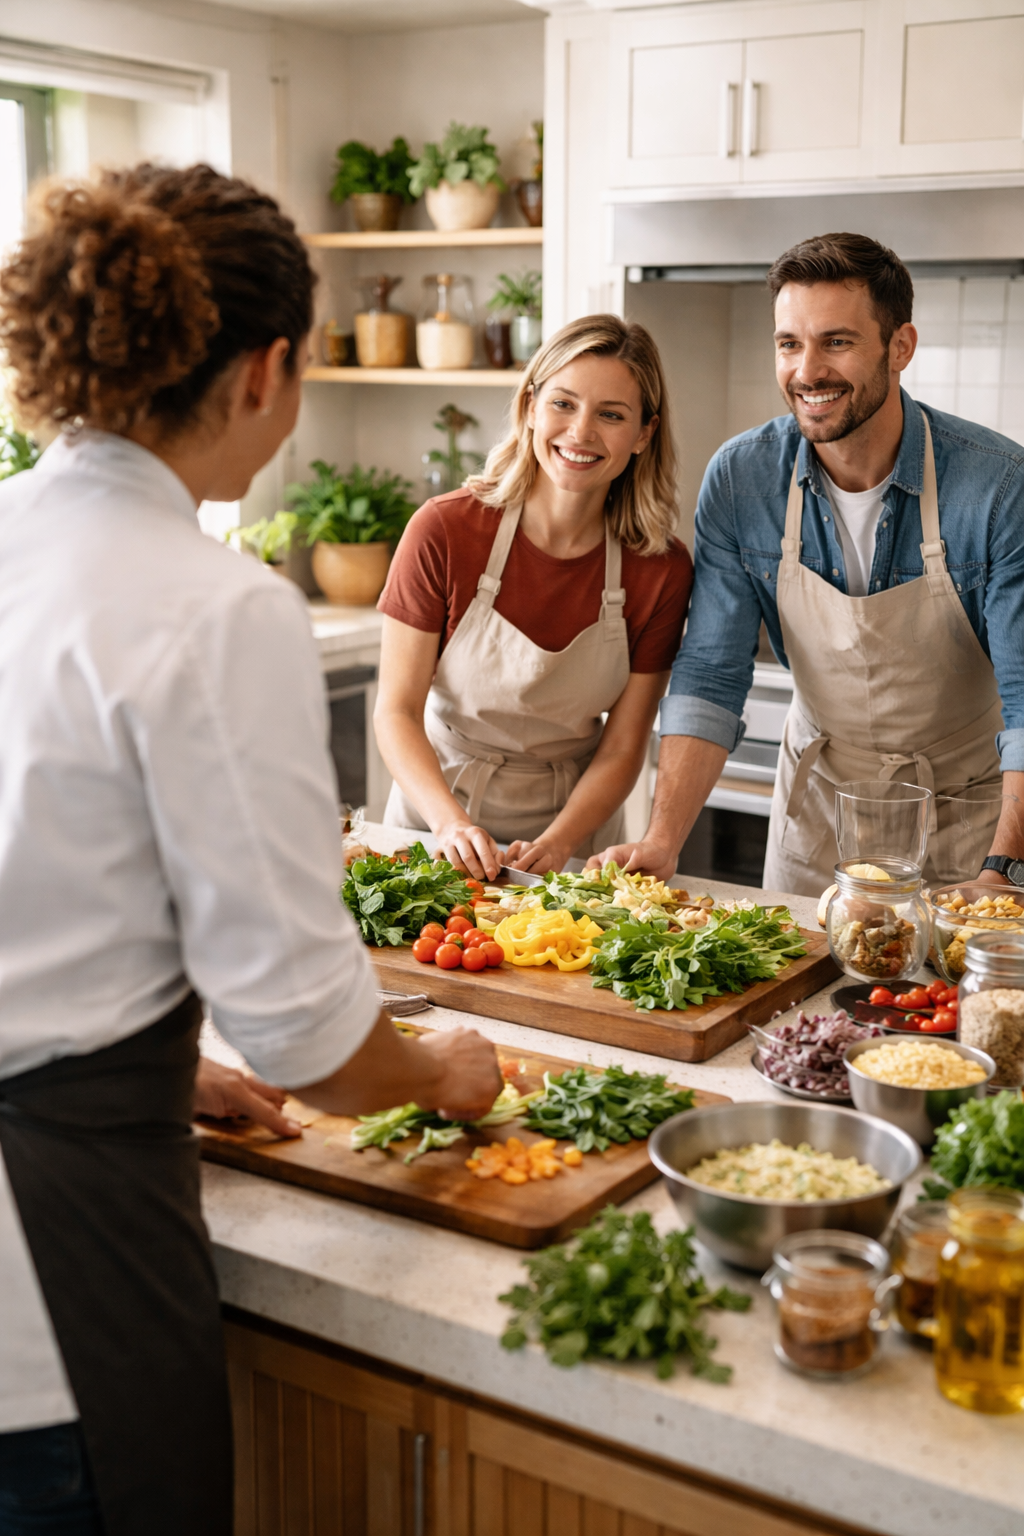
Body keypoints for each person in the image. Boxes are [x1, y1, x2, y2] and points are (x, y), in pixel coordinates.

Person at [0, 163, 500, 1536]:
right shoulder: (218, 611)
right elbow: (314, 1042)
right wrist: (440, 1073)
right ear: (269, 370)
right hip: (52, 1300)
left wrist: (164, 1066)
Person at [594, 233, 1024, 896]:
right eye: (789, 343)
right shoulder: (743, 478)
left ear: (900, 347)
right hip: (821, 808)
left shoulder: (996, 486)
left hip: (971, 818)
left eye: (838, 342)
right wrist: (662, 839)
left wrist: (1004, 869)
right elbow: (711, 672)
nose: (807, 370)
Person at [373, 315, 693, 882]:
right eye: (563, 404)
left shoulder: (659, 570)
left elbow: (623, 748)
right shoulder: (443, 530)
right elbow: (396, 712)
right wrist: (449, 825)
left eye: (612, 415)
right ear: (529, 407)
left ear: (644, 433)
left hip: (576, 836)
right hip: (432, 820)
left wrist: (559, 842)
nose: (581, 432)